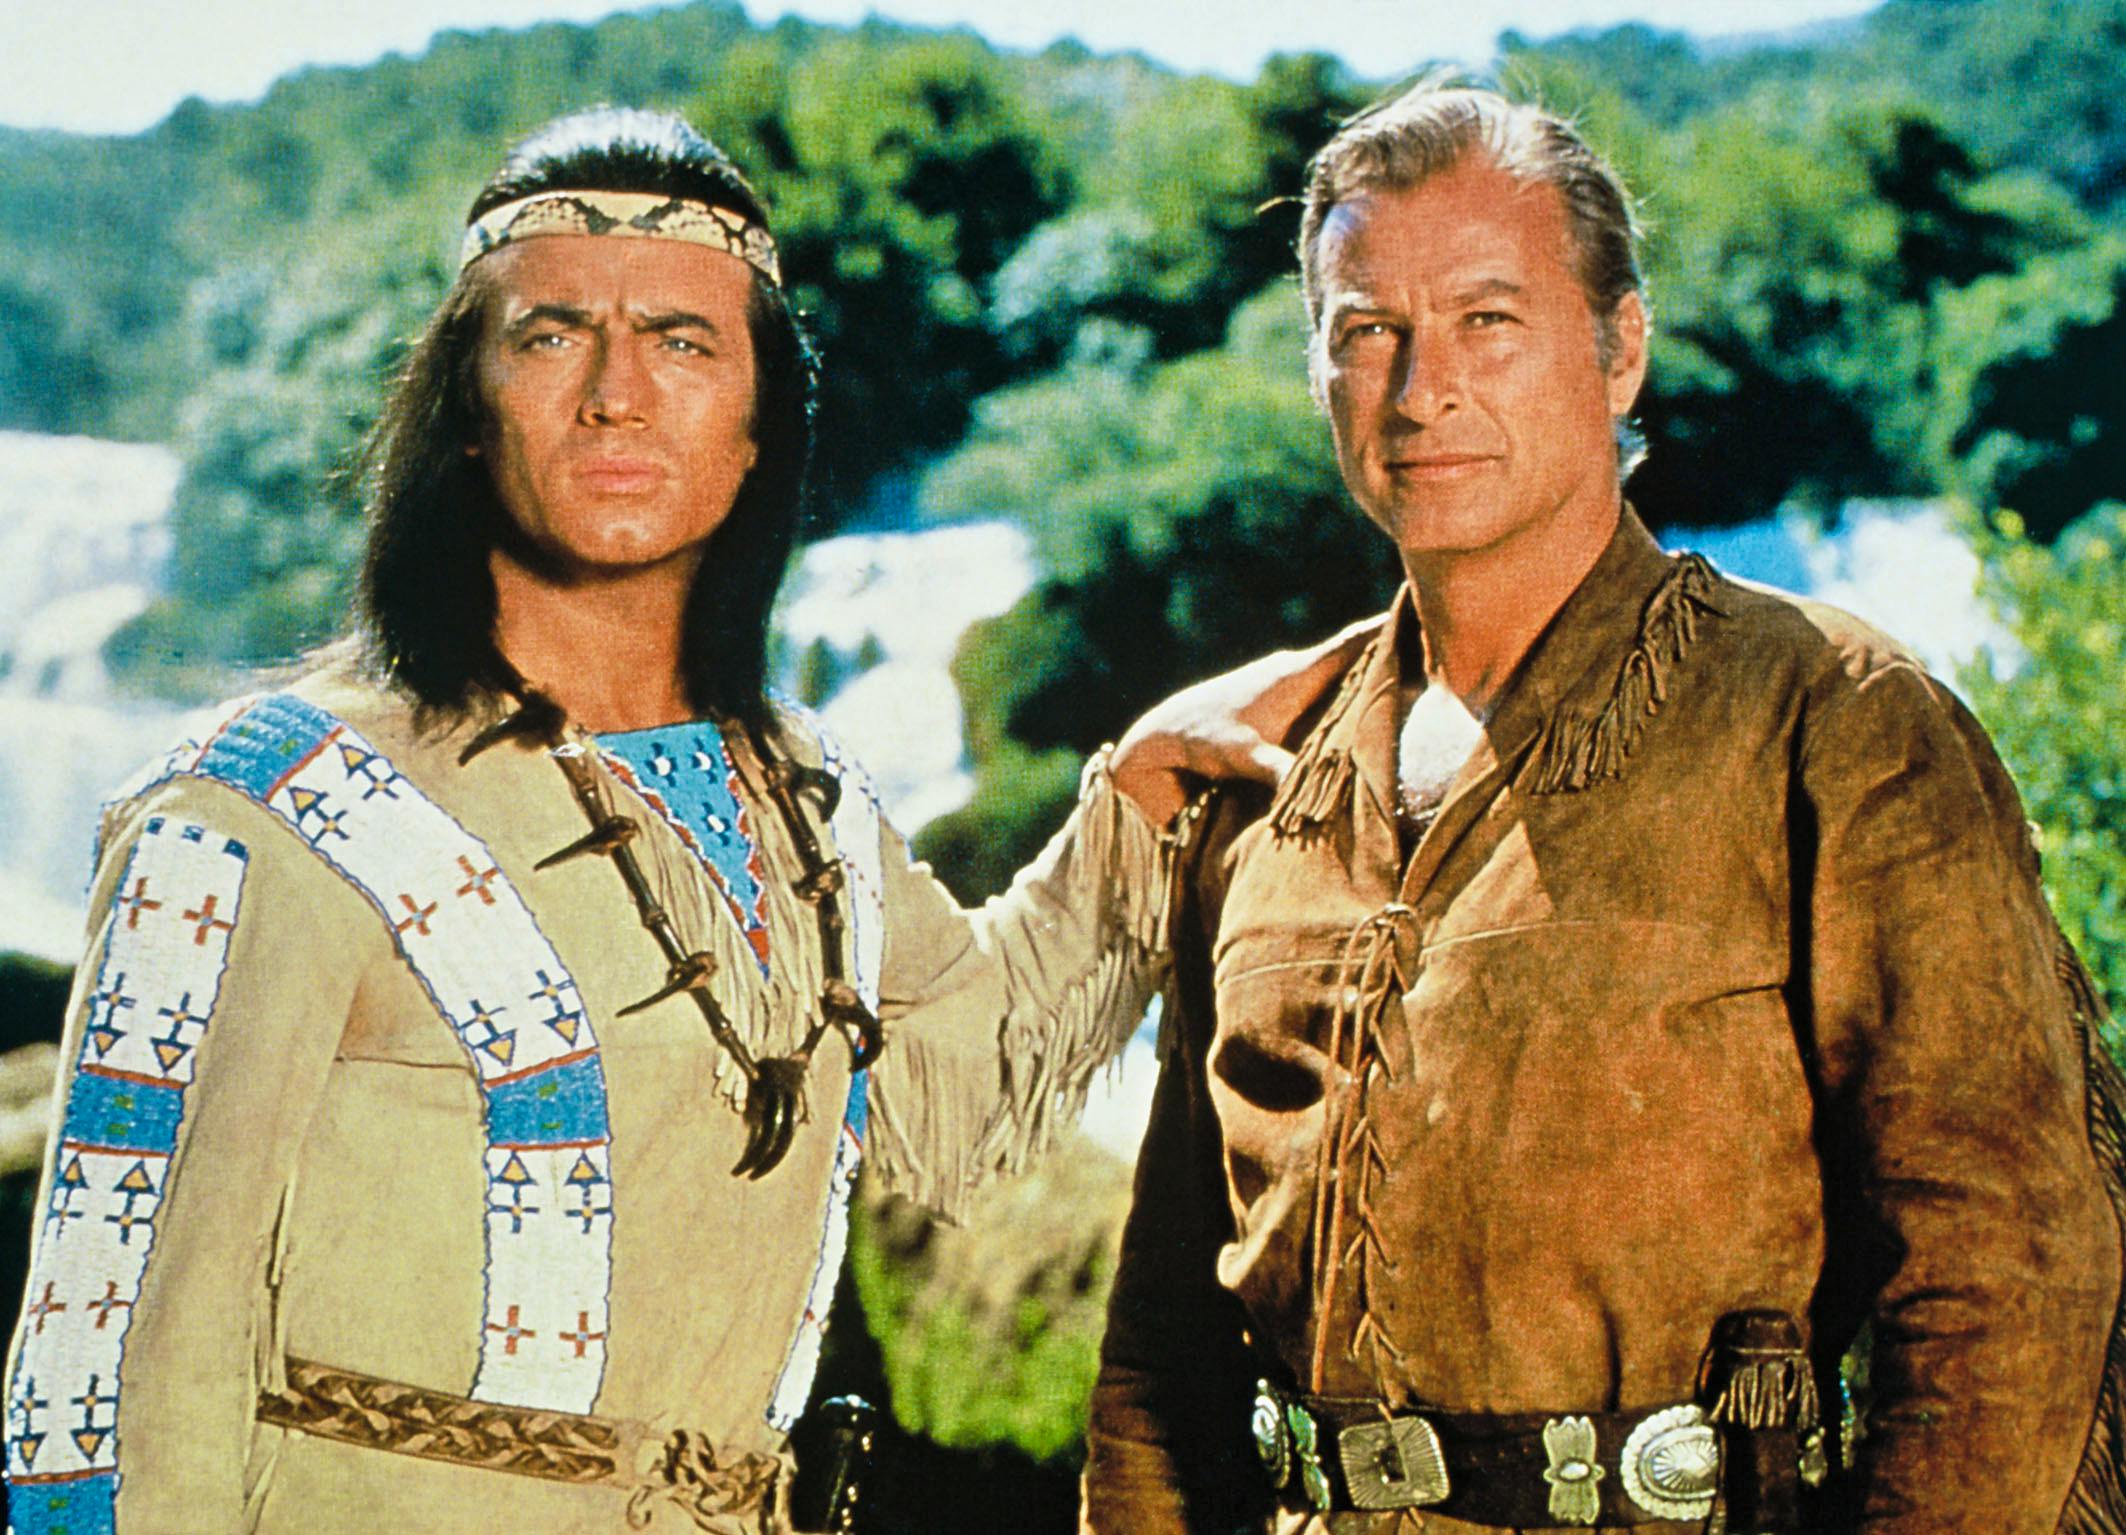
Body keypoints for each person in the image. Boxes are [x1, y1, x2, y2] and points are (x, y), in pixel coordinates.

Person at [0, 107, 1324, 1535]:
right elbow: (108, 1383)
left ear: (759, 433)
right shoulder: (254, 811)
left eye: (683, 343)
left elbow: (969, 1059)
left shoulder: (809, 801)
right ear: (464, 409)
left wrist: (1137, 797)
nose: (616, 394)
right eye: (551, 335)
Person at [1083, 79, 2126, 1535]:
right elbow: (1160, 1354)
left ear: (1620, 349)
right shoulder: (1257, 780)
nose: (1420, 391)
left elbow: (2005, 1278)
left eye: (1486, 321)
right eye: (1365, 332)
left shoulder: (1833, 718)